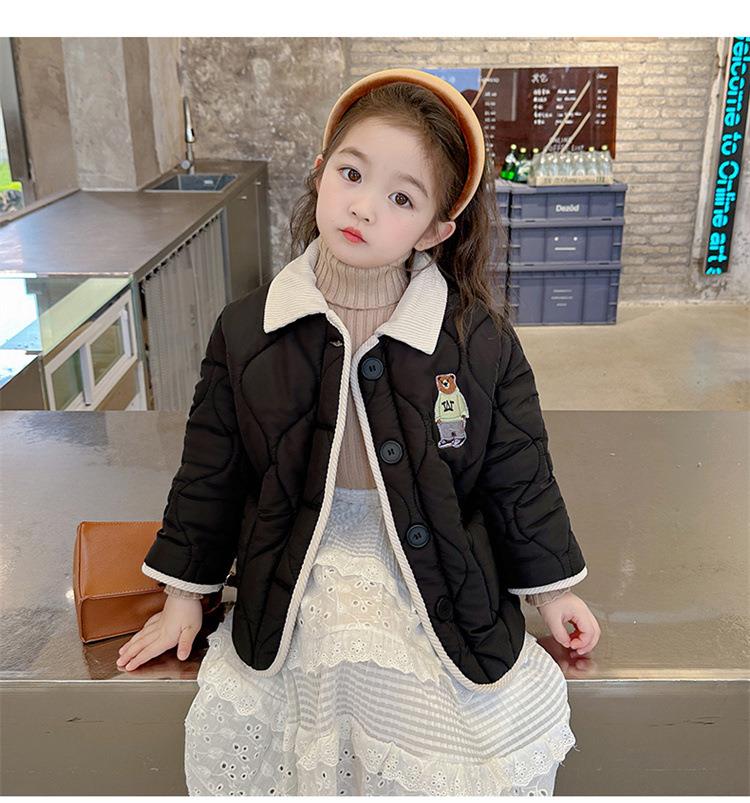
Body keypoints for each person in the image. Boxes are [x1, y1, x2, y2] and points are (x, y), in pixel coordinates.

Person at [116, 68, 601, 796]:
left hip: (429, 571)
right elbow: (212, 470)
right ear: (320, 173)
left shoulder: (479, 343)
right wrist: (185, 592)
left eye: (402, 197)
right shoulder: (248, 329)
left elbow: (518, 476)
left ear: (436, 229)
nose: (364, 207)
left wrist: (552, 593)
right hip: (295, 566)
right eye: (351, 173)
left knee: (436, 734)